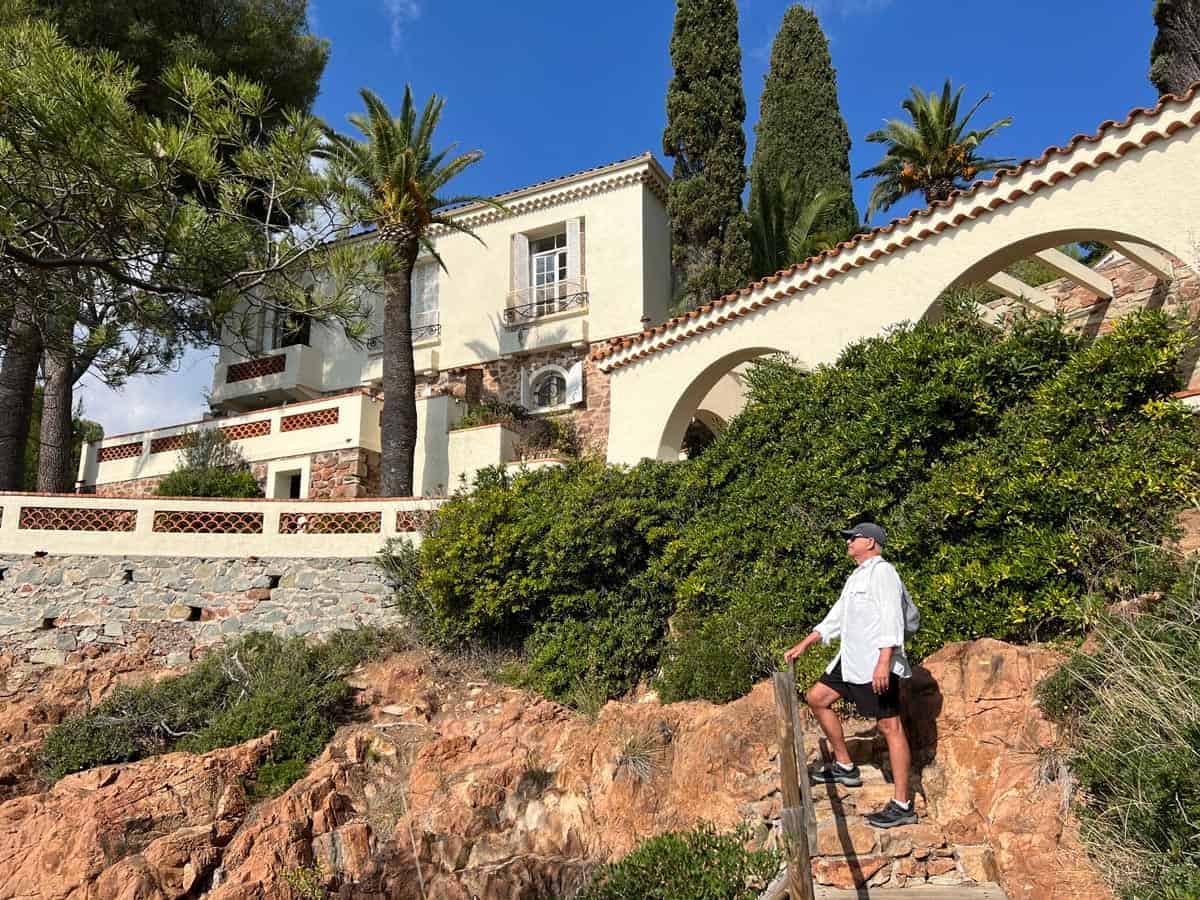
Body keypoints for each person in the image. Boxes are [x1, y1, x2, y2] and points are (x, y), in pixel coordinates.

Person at [783, 522, 917, 829]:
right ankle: (845, 765)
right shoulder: (857, 575)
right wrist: (806, 642)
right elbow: (838, 615)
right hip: (850, 660)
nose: (848, 543)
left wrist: (884, 661)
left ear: (869, 542)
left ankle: (903, 804)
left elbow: (891, 618)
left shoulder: (884, 573)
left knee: (889, 726)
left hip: (875, 663)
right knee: (817, 698)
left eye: (852, 539)